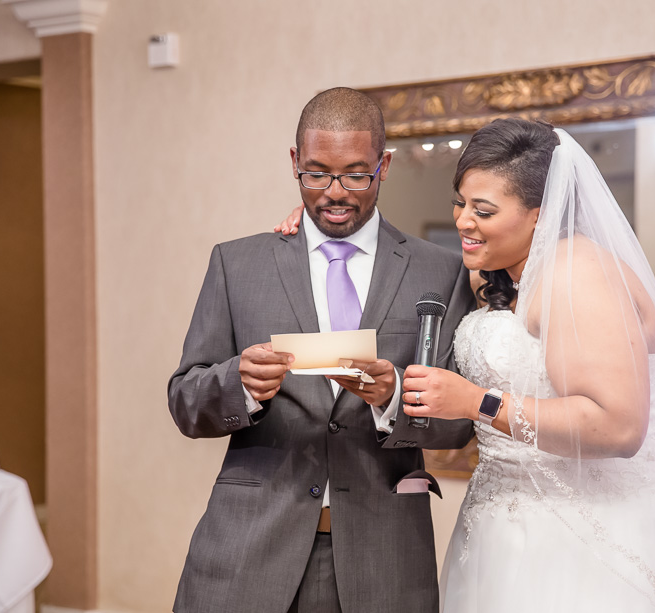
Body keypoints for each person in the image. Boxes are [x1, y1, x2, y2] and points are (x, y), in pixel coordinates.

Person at [276, 117, 655, 612]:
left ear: (540, 214)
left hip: (583, 542)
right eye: (461, 203)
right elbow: (396, 263)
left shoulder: (579, 275)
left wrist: (476, 402)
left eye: (483, 210)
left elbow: (618, 427)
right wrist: (323, 231)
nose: (462, 221)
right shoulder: (502, 277)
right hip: (500, 531)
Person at [168, 87, 476, 613]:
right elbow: (185, 402)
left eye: (356, 174)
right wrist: (237, 384)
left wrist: (394, 395)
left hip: (384, 559)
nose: (336, 192)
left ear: (384, 165)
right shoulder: (237, 264)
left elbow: (460, 424)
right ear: (295, 163)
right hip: (247, 550)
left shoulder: (439, 271)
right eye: (316, 173)